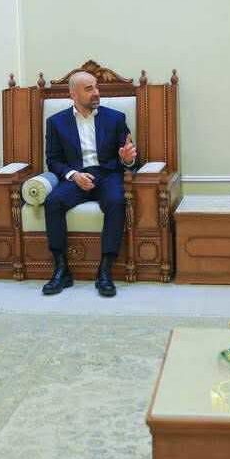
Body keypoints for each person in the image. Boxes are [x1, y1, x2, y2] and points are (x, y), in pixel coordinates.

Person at [41, 71, 138, 297]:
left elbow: (130, 156)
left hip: (108, 174)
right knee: (53, 202)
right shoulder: (56, 122)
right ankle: (61, 269)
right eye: (89, 89)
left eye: (96, 87)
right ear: (73, 94)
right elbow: (53, 160)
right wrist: (74, 175)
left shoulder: (116, 118)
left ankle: (105, 270)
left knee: (116, 201)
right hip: (77, 176)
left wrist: (127, 159)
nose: (96, 93)